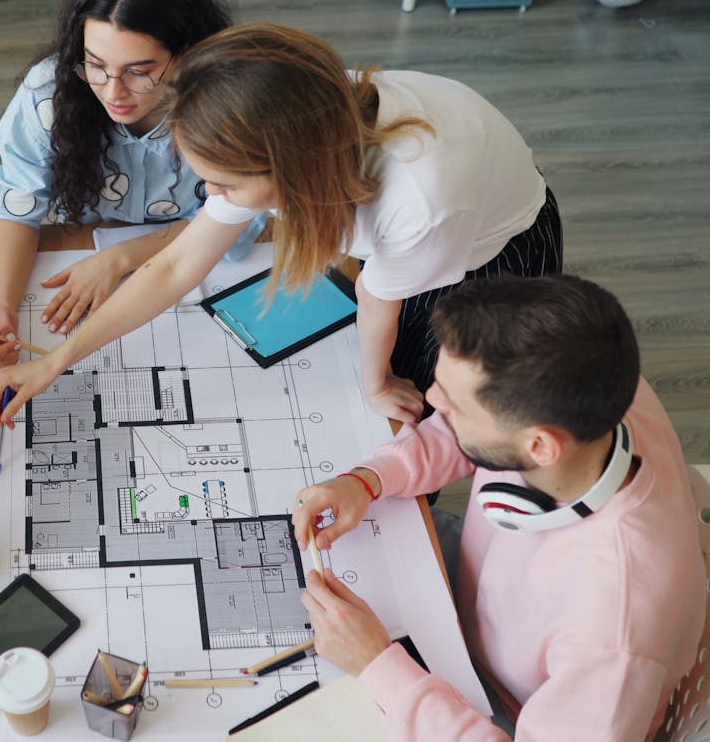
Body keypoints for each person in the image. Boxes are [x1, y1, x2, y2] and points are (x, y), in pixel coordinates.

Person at [0, 23, 562, 425]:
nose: (212, 198)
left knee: (437, 398)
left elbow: (377, 296)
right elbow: (175, 267)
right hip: (409, 218)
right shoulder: (278, 121)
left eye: (227, 186)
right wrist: (55, 362)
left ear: (287, 169)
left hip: (491, 250)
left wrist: (376, 384)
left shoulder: (418, 200)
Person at [292, 275, 702, 741]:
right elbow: (463, 435)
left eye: (455, 405)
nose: (431, 400)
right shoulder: (585, 386)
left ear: (540, 447)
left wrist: (377, 665)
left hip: (510, 711)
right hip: (473, 609)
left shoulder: (614, 633)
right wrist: (368, 480)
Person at [0, 0, 255, 366]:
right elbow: (18, 206)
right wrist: (3, 309)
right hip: (98, 247)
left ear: (188, 53)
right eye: (95, 65)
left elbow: (246, 216)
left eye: (139, 72)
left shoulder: (229, 104)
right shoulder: (47, 96)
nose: (112, 92)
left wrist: (120, 258)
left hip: (198, 259)